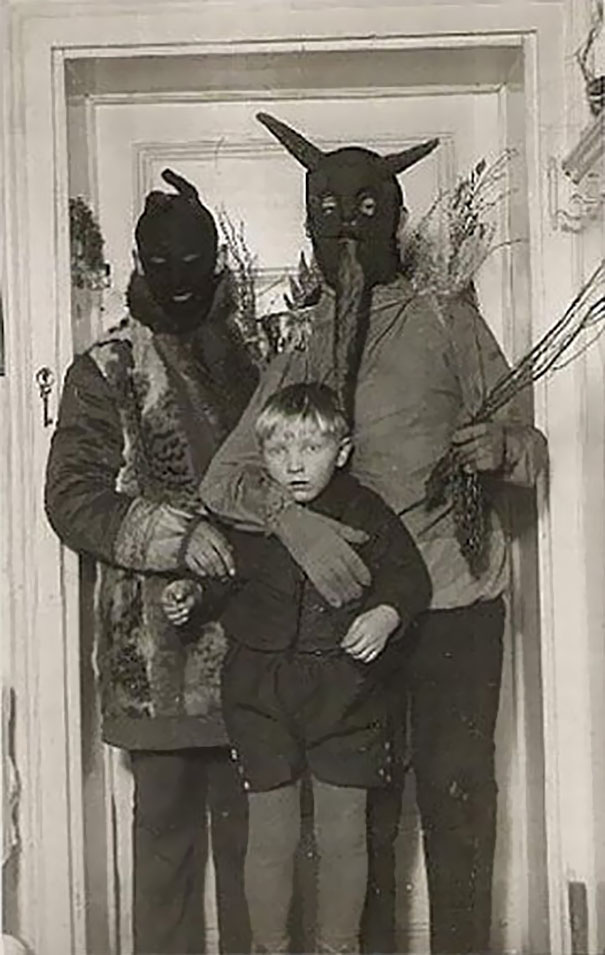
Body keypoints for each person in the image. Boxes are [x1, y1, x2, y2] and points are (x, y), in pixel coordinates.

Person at [199, 114, 549, 954]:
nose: (346, 233)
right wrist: (295, 524)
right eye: (328, 216)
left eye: (364, 212)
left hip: (455, 605)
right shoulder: (298, 344)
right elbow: (223, 481)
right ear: (310, 227)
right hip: (347, 625)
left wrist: (500, 444)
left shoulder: (443, 319)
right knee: (365, 814)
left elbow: (530, 449)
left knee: (459, 797)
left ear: (391, 219)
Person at [44, 169, 258, 955]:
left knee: (260, 853)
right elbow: (72, 497)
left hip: (256, 647)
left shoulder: (257, 355)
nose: (175, 282)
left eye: (191, 264)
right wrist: (169, 535)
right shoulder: (103, 368)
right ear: (137, 263)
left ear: (217, 265)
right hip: (155, 656)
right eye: (159, 264)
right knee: (164, 845)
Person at [162, 381, 432, 955]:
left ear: (342, 450)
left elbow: (411, 580)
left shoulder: (366, 512)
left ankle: (338, 947)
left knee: (342, 835)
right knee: (270, 838)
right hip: (262, 694)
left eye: (310, 449)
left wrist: (385, 615)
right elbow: (221, 583)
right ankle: (272, 948)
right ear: (263, 457)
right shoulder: (251, 519)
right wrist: (191, 595)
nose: (295, 465)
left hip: (347, 694)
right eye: (280, 452)